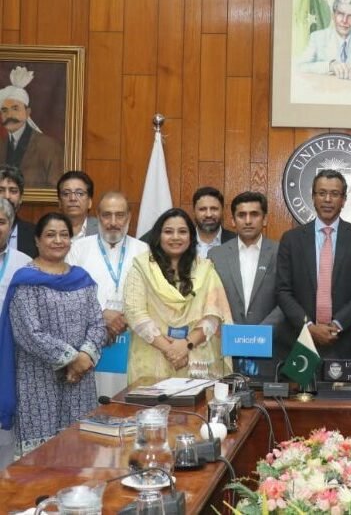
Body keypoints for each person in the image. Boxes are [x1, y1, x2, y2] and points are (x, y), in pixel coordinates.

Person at [1, 212, 106, 456]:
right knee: (41, 460)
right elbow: (29, 333)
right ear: (37, 240)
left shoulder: (82, 278)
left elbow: (97, 324)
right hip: (37, 382)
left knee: (79, 453)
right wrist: (73, 359)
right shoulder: (26, 280)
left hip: (80, 383)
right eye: (50, 235)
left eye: (64, 235)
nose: (58, 240)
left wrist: (85, 357)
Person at [124, 208, 232, 383]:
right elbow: (135, 314)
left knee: (196, 401)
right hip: (151, 359)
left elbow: (213, 316)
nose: (175, 237)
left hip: (196, 361)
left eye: (182, 231)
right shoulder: (141, 268)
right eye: (168, 232)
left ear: (191, 237)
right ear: (158, 236)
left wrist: (186, 345)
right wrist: (170, 350)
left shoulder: (205, 269)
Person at [276, 169, 351, 359]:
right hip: (300, 340)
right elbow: (282, 290)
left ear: (344, 200)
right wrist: (308, 326)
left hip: (347, 341)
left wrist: (337, 324)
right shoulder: (291, 239)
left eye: (334, 194)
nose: (327, 199)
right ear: (313, 197)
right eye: (322, 193)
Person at [66, 191, 148, 397]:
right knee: (93, 402)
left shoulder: (144, 250)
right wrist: (101, 315)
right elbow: (67, 295)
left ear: (129, 217)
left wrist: (123, 318)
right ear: (97, 216)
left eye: (119, 215)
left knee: (127, 401)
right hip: (88, 343)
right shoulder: (78, 249)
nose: (113, 222)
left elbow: (151, 297)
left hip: (132, 340)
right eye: (106, 215)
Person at [209, 191, 285, 380]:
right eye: (242, 215)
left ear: (264, 219)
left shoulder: (281, 252)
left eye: (254, 214)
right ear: (233, 221)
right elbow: (210, 299)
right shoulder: (216, 255)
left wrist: (260, 333)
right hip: (227, 351)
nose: (248, 221)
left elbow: (288, 297)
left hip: (270, 348)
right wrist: (229, 329)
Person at [0, 198, 31, 468]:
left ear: (10, 226)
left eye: (1, 222)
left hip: (11, 357)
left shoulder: (25, 264)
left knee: (6, 439)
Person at [0, 66, 63, 188]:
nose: (9, 115)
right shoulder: (1, 145)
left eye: (15, 108)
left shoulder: (49, 146)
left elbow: (56, 189)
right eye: (4, 110)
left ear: (27, 112)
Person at [297, 0, 351, 79]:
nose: (344, 20)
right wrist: (330, 66)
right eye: (341, 14)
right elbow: (300, 66)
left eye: (350, 16)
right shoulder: (317, 38)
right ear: (333, 16)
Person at [0, 164, 36, 257]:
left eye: (13, 191)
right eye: (1, 190)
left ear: (20, 198)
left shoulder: (34, 233)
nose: (7, 196)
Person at [191, 186, 236, 258]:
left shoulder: (236, 242)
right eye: (202, 209)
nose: (208, 215)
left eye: (214, 209)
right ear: (194, 211)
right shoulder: (183, 241)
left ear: (222, 211)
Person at [57, 170, 98, 241]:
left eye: (79, 193)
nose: (73, 198)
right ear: (60, 202)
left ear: (89, 202)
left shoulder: (102, 230)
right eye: (66, 194)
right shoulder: (48, 230)